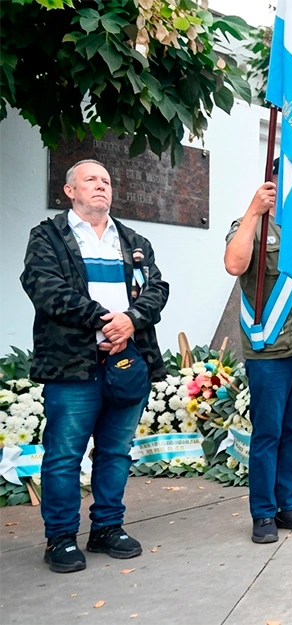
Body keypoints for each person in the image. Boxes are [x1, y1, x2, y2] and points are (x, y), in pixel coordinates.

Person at [21, 159, 169, 573]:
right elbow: (44, 288)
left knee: (115, 453)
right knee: (64, 455)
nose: (101, 186)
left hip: (125, 363)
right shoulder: (48, 237)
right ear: (70, 190)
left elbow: (157, 288)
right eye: (91, 180)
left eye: (106, 180)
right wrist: (108, 320)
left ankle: (107, 527)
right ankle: (61, 538)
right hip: (72, 368)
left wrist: (132, 321)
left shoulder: (133, 239)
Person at [225, 180, 292, 543]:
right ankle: (264, 513)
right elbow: (233, 264)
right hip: (271, 350)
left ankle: (287, 504)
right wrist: (254, 211)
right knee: (268, 434)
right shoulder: (255, 224)